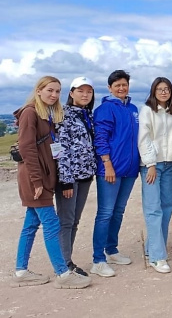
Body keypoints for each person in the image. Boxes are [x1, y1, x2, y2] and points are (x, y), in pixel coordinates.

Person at [12, 76, 91, 289]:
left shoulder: (45, 114)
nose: (54, 95)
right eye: (49, 90)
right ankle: (63, 274)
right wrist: (37, 181)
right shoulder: (30, 113)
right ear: (39, 91)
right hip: (34, 179)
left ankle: (21, 271)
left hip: (42, 177)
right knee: (52, 225)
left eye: (57, 91)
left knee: (31, 224)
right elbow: (27, 149)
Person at [91, 70, 140, 278]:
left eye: (124, 84)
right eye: (117, 85)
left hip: (129, 169)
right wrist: (107, 164)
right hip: (110, 170)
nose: (122, 88)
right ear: (110, 87)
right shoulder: (105, 109)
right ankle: (97, 259)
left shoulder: (133, 108)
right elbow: (100, 139)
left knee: (118, 211)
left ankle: (111, 250)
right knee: (105, 213)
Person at [56, 76, 97, 277]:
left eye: (88, 91)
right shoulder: (63, 116)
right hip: (69, 179)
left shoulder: (86, 115)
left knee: (74, 221)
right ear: (71, 93)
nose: (85, 94)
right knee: (66, 220)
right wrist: (65, 181)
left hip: (85, 176)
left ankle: (66, 260)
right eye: (80, 91)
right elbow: (60, 150)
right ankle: (63, 264)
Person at [138, 77, 172, 274]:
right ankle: (157, 256)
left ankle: (152, 247)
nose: (164, 92)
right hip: (152, 165)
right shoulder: (147, 110)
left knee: (167, 206)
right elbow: (144, 138)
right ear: (154, 91)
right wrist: (150, 163)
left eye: (167, 89)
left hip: (169, 163)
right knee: (153, 209)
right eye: (160, 89)